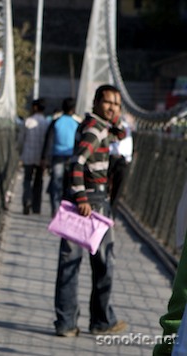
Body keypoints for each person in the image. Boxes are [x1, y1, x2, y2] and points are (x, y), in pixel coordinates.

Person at [53, 84, 127, 337]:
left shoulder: (93, 125)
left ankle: (66, 323)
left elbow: (121, 134)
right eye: (108, 103)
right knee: (104, 264)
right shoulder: (95, 129)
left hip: (85, 200)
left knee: (70, 264)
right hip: (92, 202)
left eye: (116, 105)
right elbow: (77, 162)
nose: (112, 108)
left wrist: (115, 122)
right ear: (95, 102)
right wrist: (82, 198)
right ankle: (101, 321)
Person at [42, 97, 80, 217]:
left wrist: (44, 158)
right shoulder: (77, 123)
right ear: (74, 109)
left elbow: (48, 140)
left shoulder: (56, 121)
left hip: (57, 155)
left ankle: (55, 209)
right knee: (69, 185)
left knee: (56, 183)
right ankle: (66, 210)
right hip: (71, 157)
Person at [18, 98, 49, 215]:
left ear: (35, 107)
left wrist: (19, 152)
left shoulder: (27, 121)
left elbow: (21, 140)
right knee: (38, 182)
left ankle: (27, 200)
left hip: (28, 155)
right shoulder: (47, 123)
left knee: (27, 180)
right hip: (41, 158)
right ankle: (36, 207)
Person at [108, 116, 133, 206]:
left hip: (121, 159)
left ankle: (112, 209)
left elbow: (128, 141)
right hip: (110, 156)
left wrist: (128, 158)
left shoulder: (126, 127)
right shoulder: (108, 125)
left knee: (118, 185)